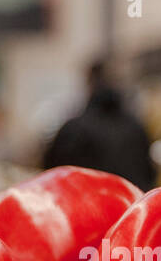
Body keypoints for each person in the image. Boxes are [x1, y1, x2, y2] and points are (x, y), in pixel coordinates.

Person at [44, 61, 155, 189]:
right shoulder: (136, 127)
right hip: (131, 202)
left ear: (89, 83)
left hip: (89, 204)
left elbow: (53, 173)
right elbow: (149, 171)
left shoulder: (74, 129)